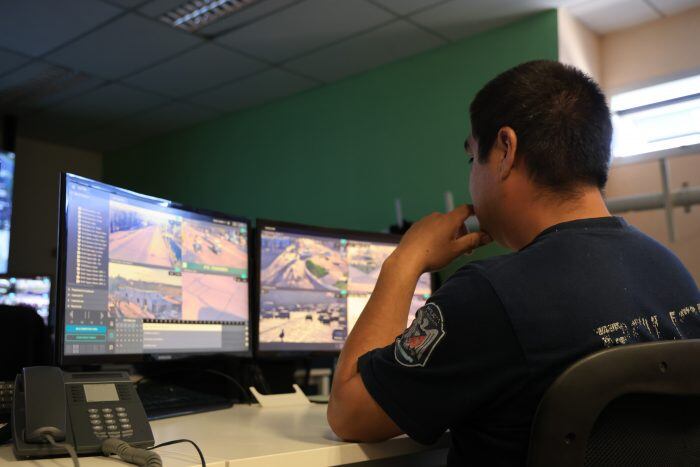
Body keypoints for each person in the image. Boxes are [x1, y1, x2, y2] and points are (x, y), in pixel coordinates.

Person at [326, 60, 700, 466]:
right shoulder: (674, 271)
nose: (472, 176)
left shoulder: (489, 296)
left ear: (505, 149)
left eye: (473, 158)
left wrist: (406, 259)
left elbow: (349, 413)